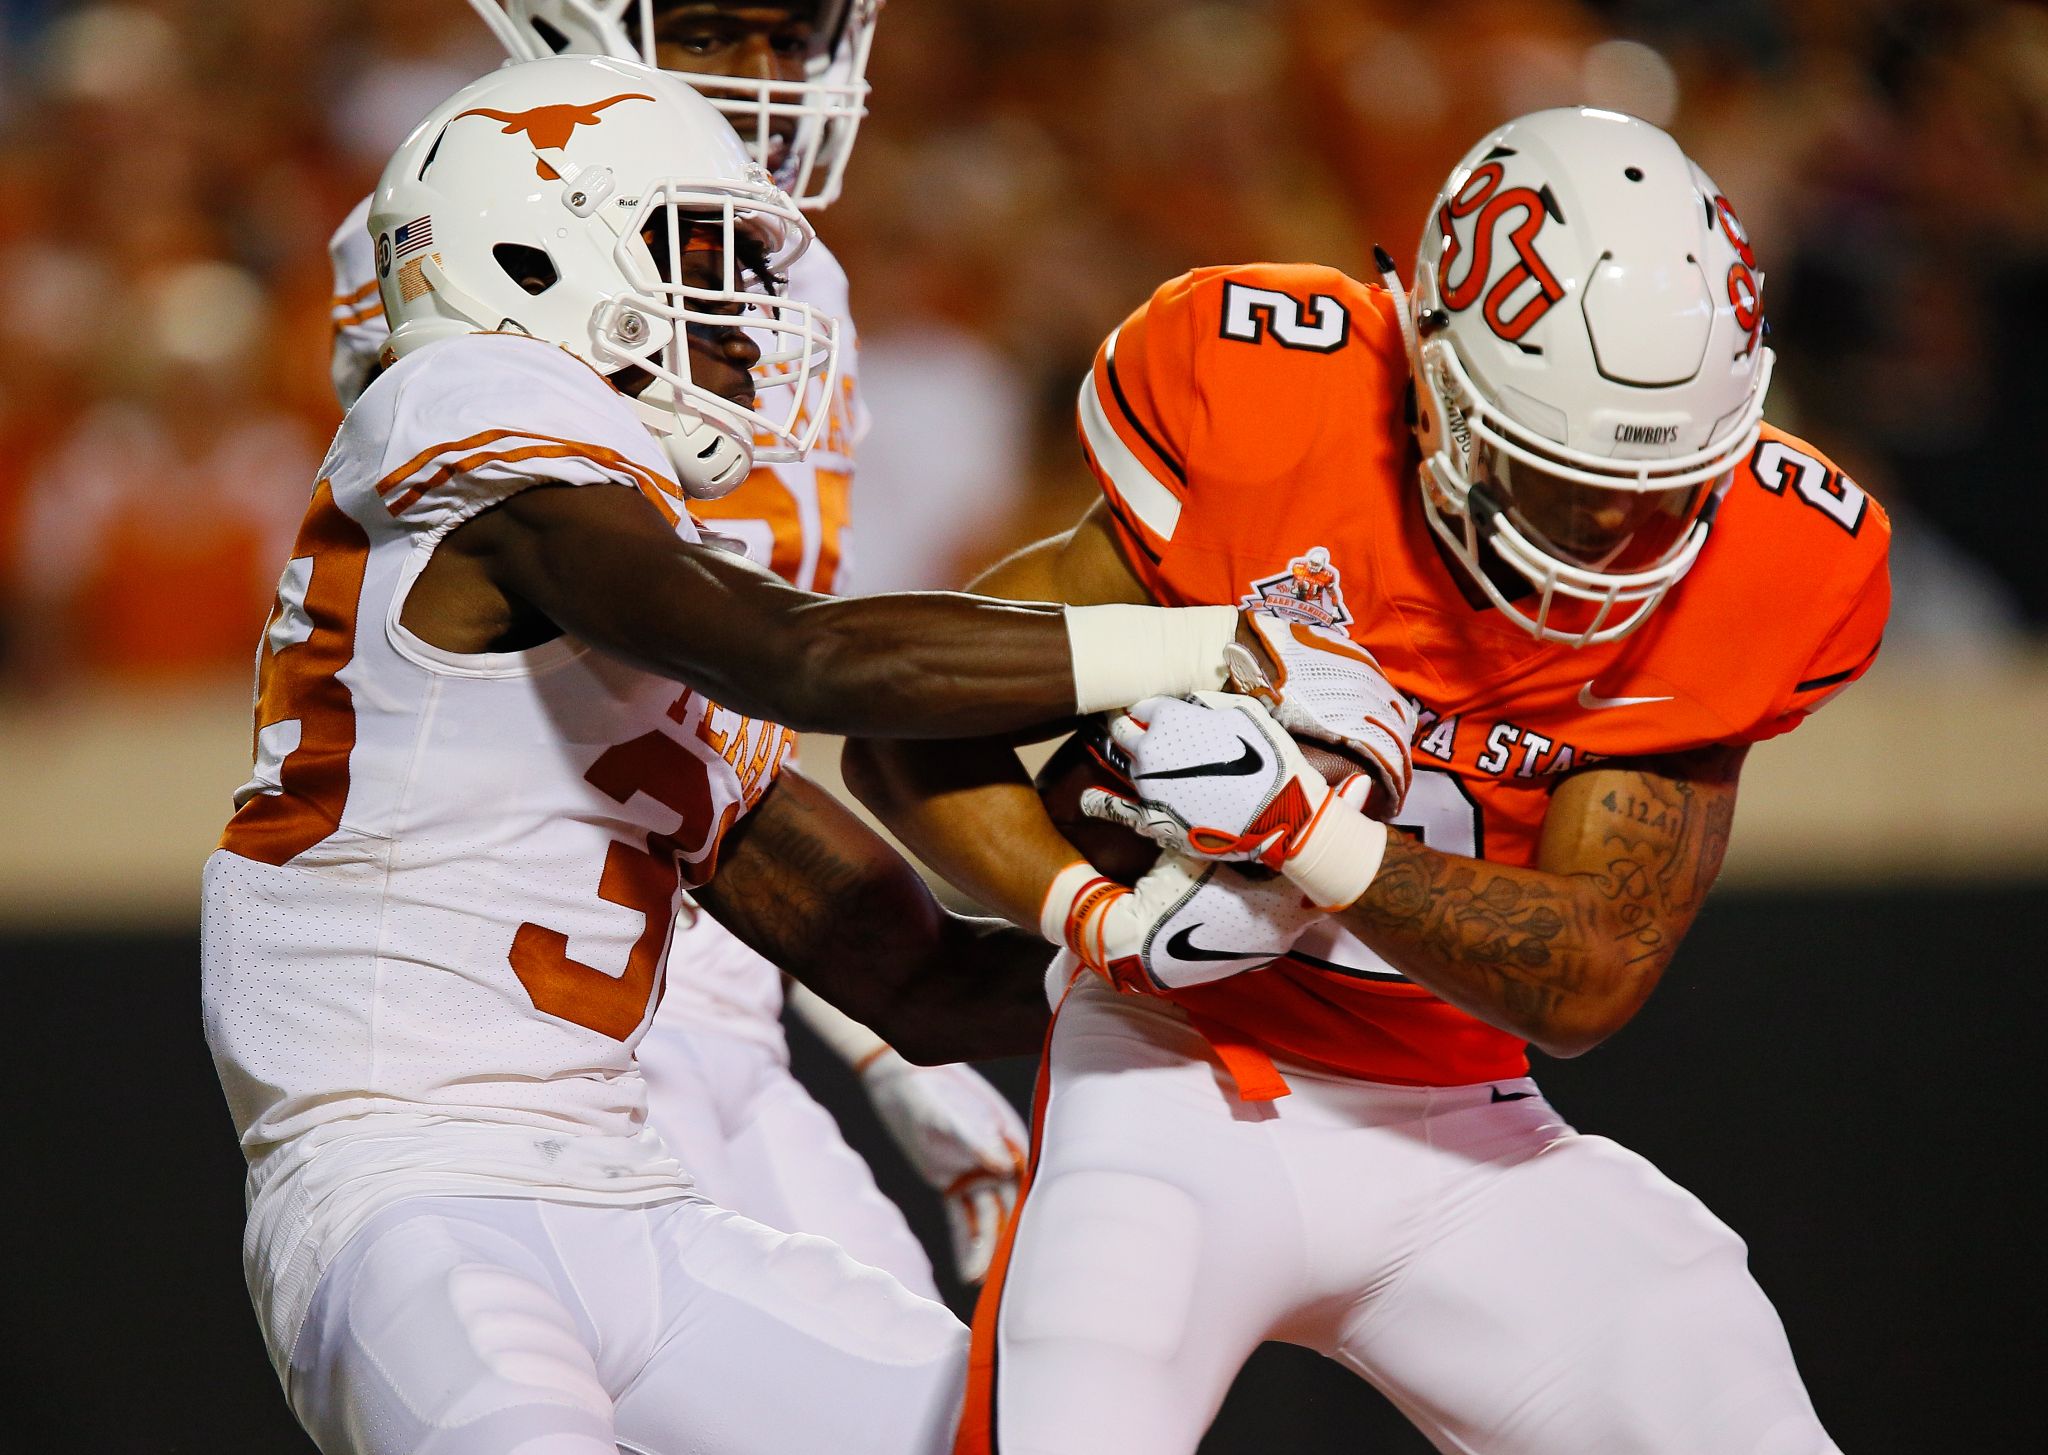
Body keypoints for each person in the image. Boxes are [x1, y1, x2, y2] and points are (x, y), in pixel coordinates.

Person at [204, 55, 1300, 1455]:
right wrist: (1213, 647)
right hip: (404, 1193)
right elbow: (811, 659)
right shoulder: (468, 401)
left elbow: (913, 980)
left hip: (626, 1194)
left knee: (1032, 1432)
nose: (748, 316)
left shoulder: (628, 626)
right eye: (700, 255)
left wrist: (1178, 935)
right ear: (534, 253)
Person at [846, 107, 1888, 1454]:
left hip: (1468, 1131)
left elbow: (1587, 973)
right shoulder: (1274, 415)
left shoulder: (1766, 565)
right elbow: (907, 730)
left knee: (1729, 1404)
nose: (1607, 533)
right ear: (1433, 377)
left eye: (1661, 489)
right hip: (1169, 1079)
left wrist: (1309, 834)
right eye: (1553, 474)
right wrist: (1095, 920)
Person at [330, 0, 1027, 1298]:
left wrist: (883, 1018)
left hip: (725, 926)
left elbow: (719, 743)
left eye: (789, 38)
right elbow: (637, 665)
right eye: (710, 32)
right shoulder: (477, 224)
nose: (764, 79)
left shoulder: (791, 277)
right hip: (537, 953)